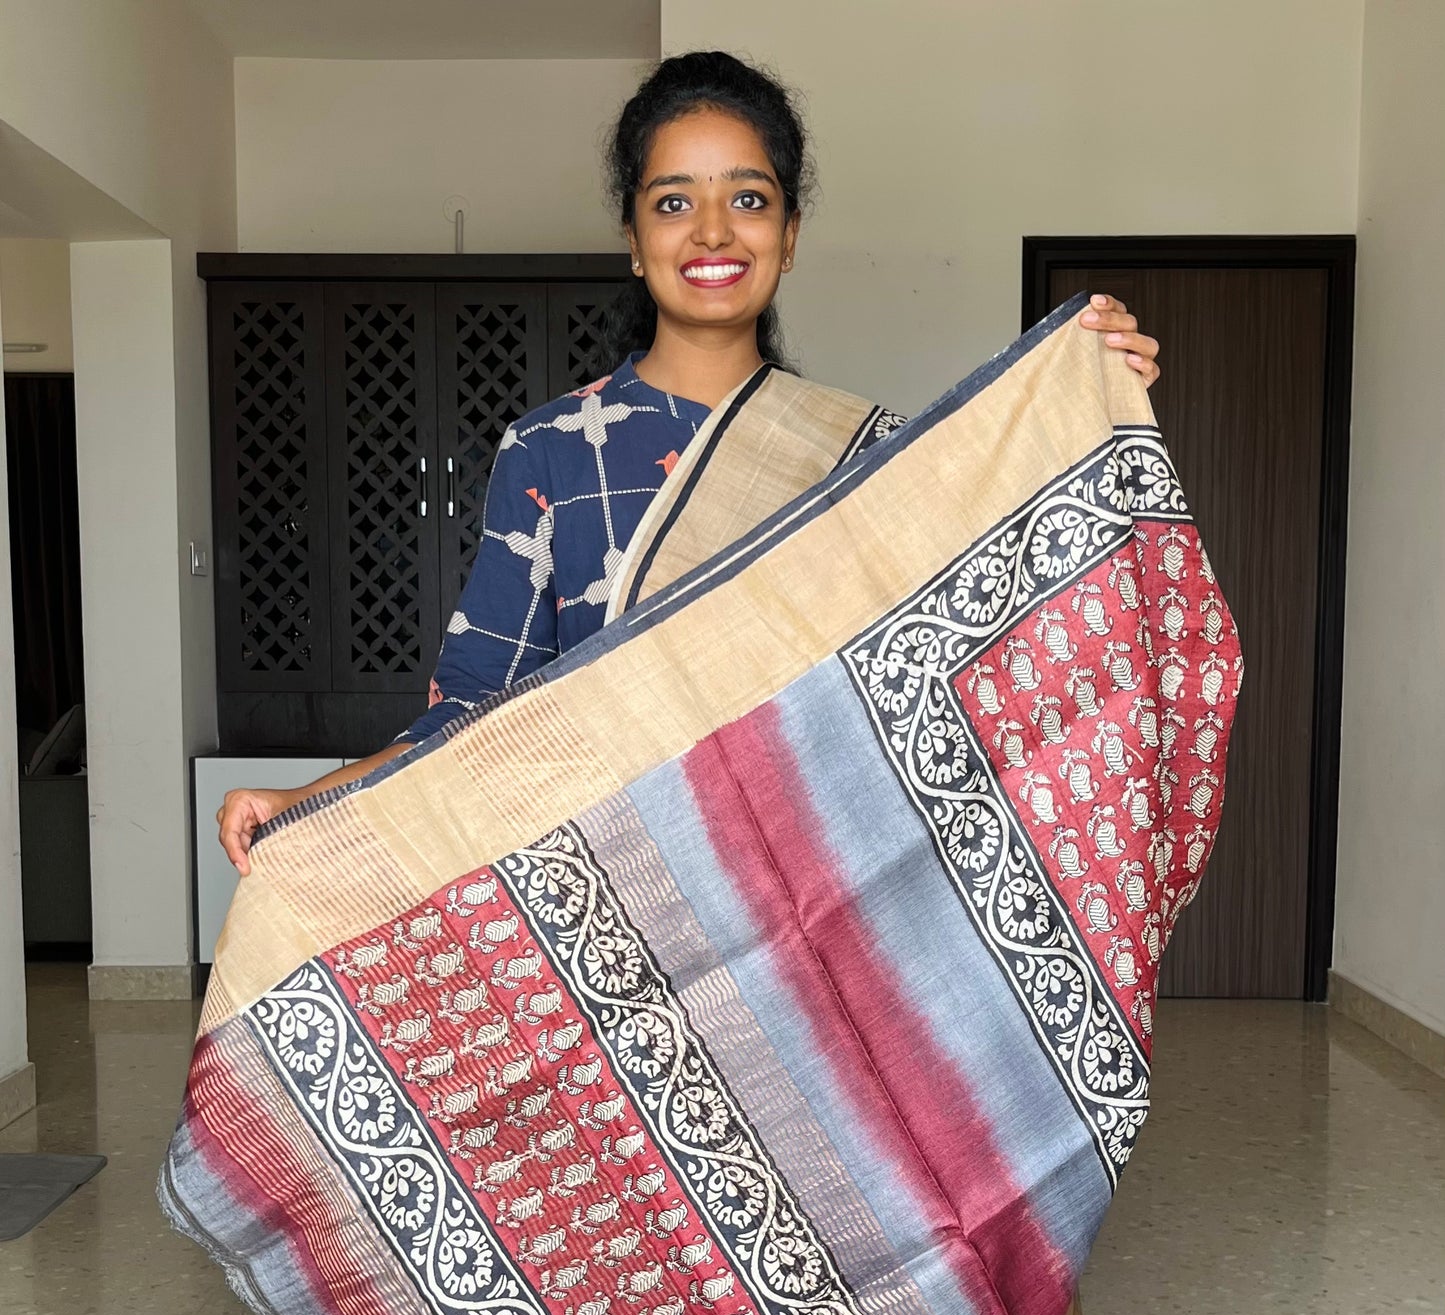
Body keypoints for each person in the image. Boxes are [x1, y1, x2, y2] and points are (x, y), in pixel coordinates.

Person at [217, 50, 1160, 875]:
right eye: (674, 202)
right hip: (603, 892)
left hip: (808, 904)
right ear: (633, 240)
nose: (712, 231)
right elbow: (472, 715)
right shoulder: (551, 450)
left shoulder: (869, 458)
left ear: (788, 235)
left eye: (747, 199)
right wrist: (314, 798)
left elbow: (978, 646)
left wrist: (1087, 405)